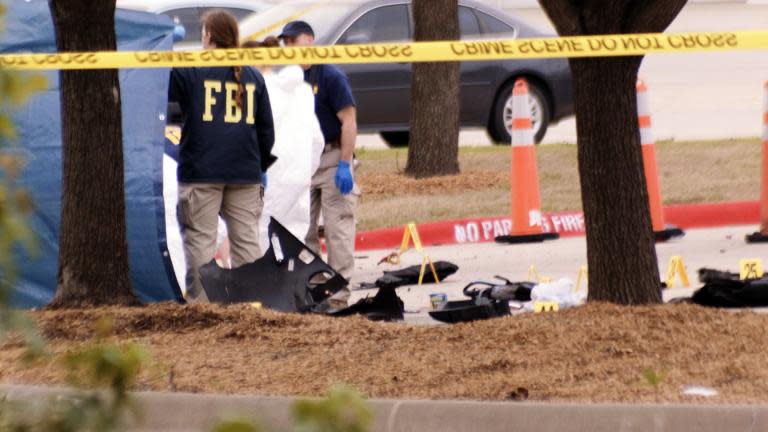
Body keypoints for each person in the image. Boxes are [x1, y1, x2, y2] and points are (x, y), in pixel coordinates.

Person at [168, 10, 275, 302]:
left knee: (201, 248)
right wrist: (259, 165)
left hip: (201, 172)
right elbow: (267, 130)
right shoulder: (253, 75)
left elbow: (160, 87)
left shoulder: (192, 69)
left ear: (208, 36)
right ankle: (251, 309)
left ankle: (204, 312)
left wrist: (165, 47)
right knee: (247, 247)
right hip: (244, 174)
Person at [279, 21, 358, 307]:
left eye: (293, 41)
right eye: (285, 43)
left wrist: (346, 163)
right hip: (301, 161)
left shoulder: (330, 76)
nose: (288, 48)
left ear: (309, 41)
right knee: (303, 229)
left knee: (337, 228)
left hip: (332, 156)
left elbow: (348, 121)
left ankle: (338, 295)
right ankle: (313, 290)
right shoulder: (287, 79)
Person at [241, 37, 324, 252]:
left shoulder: (255, 90)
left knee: (262, 245)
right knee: (293, 247)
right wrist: (307, 171)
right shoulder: (304, 91)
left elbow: (249, 136)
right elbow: (317, 140)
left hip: (267, 181)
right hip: (299, 180)